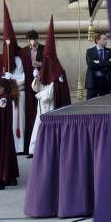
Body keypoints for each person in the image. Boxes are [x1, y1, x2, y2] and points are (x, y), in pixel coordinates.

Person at [28, 18, 71, 157]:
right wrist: (36, 79)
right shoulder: (43, 70)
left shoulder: (58, 72)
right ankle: (34, 149)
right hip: (42, 106)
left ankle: (50, 149)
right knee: (38, 125)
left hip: (51, 104)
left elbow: (51, 93)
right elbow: (36, 88)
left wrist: (39, 95)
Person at [22, 30, 42, 155]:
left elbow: (51, 62)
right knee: (30, 112)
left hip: (40, 81)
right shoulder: (24, 51)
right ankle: (28, 144)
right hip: (28, 82)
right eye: (30, 39)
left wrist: (40, 64)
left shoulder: (43, 49)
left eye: (34, 39)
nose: (32, 42)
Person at [85, 33, 111, 99]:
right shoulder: (90, 51)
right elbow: (91, 65)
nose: (106, 41)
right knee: (90, 104)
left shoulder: (110, 51)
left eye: (106, 39)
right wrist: (106, 63)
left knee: (105, 103)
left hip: (105, 82)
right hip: (93, 82)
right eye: (104, 39)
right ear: (98, 40)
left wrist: (98, 62)